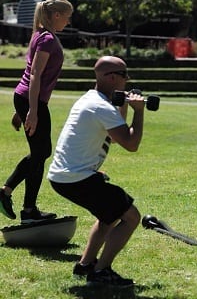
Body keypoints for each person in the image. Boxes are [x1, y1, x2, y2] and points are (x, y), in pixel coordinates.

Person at [47, 56, 143, 287]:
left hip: (64, 176)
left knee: (108, 215)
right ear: (112, 77)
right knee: (131, 217)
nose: (127, 79)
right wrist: (139, 111)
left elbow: (114, 135)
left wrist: (123, 105)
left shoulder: (92, 99)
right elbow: (130, 144)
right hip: (74, 178)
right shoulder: (100, 106)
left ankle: (86, 265)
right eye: (124, 74)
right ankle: (101, 272)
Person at [0, 0, 73, 223]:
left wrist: (22, 110)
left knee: (41, 152)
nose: (68, 22)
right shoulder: (47, 39)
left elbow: (31, 72)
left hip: (26, 100)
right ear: (57, 15)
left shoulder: (39, 34)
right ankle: (27, 210)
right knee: (41, 153)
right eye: (67, 17)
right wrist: (31, 110)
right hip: (32, 102)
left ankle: (9, 194)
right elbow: (34, 75)